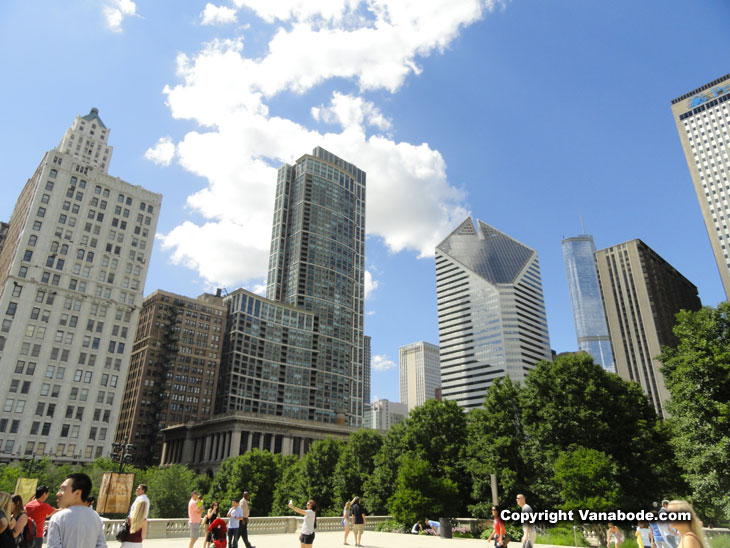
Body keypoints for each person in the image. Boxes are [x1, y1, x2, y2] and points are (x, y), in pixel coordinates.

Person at [46, 473, 107, 548]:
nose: (58, 493)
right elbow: (102, 545)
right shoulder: (95, 517)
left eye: (63, 489)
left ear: (77, 493)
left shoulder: (58, 518)